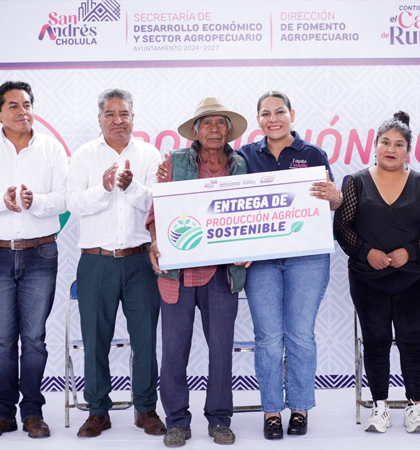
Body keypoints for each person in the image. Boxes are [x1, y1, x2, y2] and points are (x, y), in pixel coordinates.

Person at [0, 81, 68, 439]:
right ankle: (2, 413)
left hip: (41, 252)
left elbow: (63, 198)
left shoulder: (51, 148)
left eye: (27, 104)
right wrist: (2, 200)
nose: (22, 111)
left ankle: (33, 413)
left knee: (35, 339)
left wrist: (34, 202)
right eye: (13, 106)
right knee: (4, 340)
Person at [236, 91, 340, 440]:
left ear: (292, 114)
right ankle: (270, 411)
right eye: (266, 113)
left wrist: (336, 197)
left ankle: (299, 408)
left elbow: (332, 200)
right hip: (261, 260)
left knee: (300, 335)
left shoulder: (312, 154)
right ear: (258, 120)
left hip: (307, 257)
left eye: (279, 112)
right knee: (267, 338)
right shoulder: (245, 155)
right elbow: (229, 200)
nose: (273, 119)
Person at [334, 111, 420, 434]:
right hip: (367, 278)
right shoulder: (356, 183)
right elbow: (342, 227)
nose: (391, 149)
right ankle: (379, 406)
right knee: (375, 340)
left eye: (398, 144)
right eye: (385, 142)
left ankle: (414, 406)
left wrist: (408, 251)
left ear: (408, 150)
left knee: (412, 341)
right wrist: (367, 252)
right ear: (375, 146)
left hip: (412, 277)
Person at [147, 97, 248, 447]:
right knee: (174, 351)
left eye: (221, 122)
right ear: (195, 131)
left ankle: (219, 419)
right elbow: (155, 212)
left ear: (230, 131)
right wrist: (155, 241)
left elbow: (248, 216)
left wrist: (250, 248)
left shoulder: (240, 165)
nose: (214, 129)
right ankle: (176, 420)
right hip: (177, 273)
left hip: (221, 273)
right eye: (207, 122)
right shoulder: (173, 162)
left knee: (221, 349)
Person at [66, 89, 164, 438]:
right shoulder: (84, 156)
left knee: (145, 339)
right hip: (97, 262)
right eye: (110, 114)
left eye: (124, 114)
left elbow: (158, 202)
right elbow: (72, 202)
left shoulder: (149, 155)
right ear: (100, 119)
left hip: (140, 261)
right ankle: (97, 411)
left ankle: (146, 409)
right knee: (95, 340)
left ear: (133, 118)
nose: (118, 120)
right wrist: (104, 188)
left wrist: (132, 186)